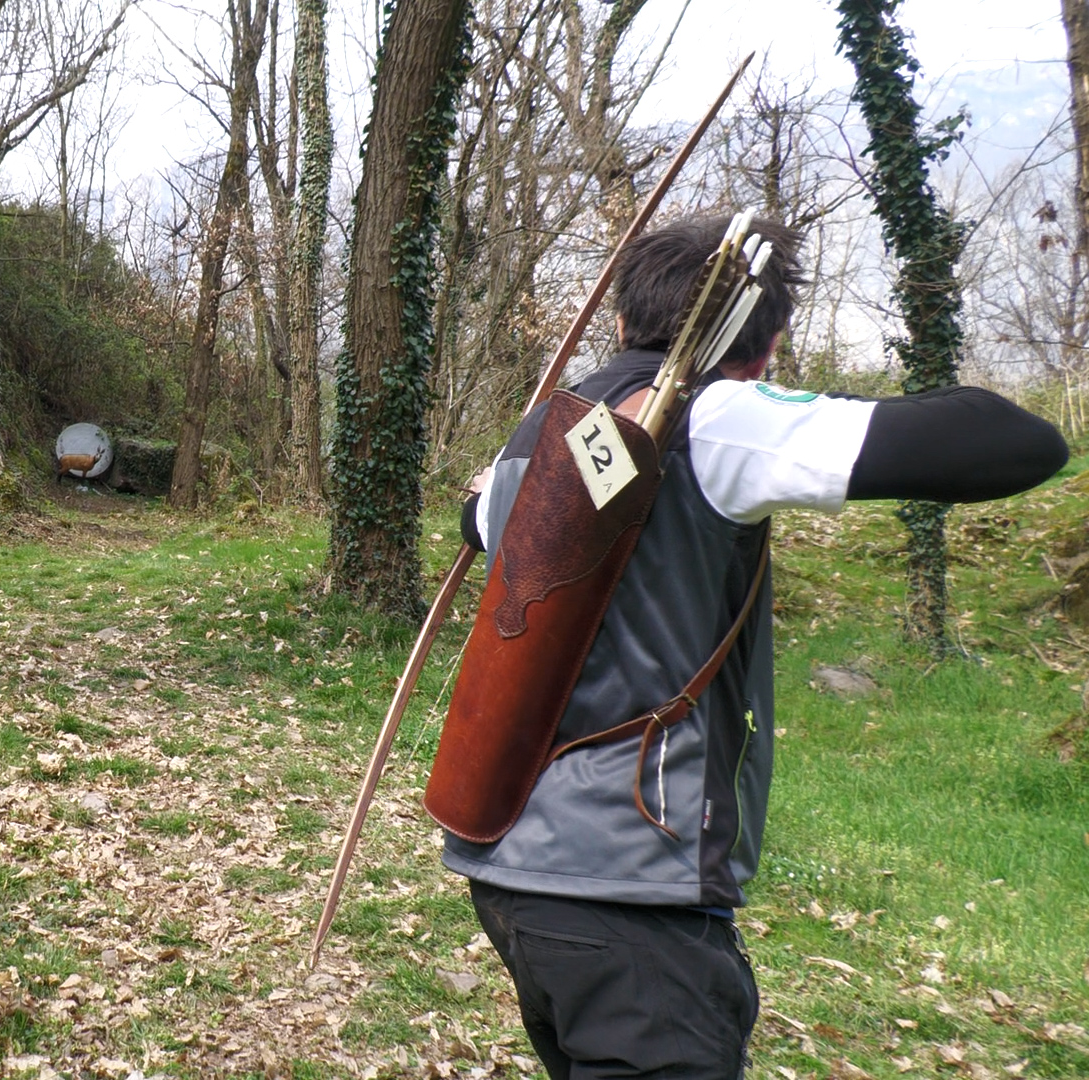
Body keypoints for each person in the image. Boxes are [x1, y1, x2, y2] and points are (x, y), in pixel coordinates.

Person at [447, 214, 1068, 1080]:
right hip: (629, 891)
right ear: (766, 344)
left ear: (624, 323)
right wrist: (753, 396)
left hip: (517, 879)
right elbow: (1022, 444)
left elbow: (474, 519)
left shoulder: (543, 434)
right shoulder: (721, 421)